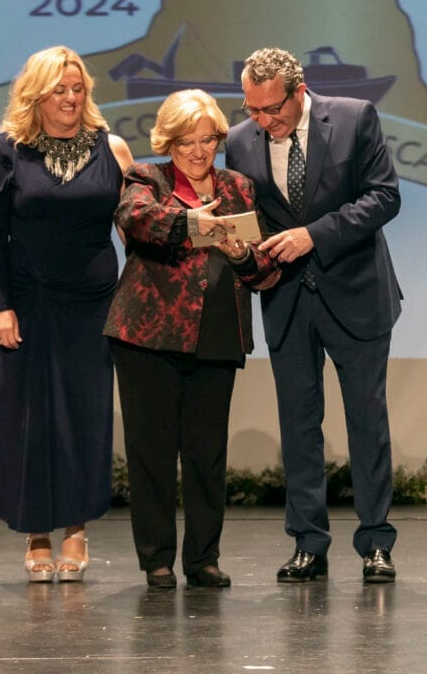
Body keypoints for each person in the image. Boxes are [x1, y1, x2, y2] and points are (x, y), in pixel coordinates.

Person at [224, 47, 403, 584]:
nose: (262, 121)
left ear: (298, 92)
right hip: (286, 299)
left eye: (272, 109)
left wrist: (313, 236)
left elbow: (384, 197)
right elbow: (250, 220)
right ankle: (308, 543)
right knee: (299, 426)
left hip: (356, 293)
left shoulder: (354, 118)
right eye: (253, 110)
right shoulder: (240, 141)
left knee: (367, 422)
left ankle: (376, 543)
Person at [103, 89, 279, 589]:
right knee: (151, 453)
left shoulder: (239, 187)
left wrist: (242, 255)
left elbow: (263, 262)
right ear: (168, 142)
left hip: (218, 335)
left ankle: (203, 558)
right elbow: (134, 217)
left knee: (207, 454)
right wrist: (192, 222)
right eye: (185, 142)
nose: (198, 152)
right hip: (148, 337)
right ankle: (157, 559)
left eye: (206, 140)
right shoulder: (148, 178)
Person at [0, 46, 135, 582]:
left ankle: (75, 527)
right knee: (30, 418)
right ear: (36, 95)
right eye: (59, 90)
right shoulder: (7, 151)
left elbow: (135, 228)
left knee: (85, 415)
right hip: (29, 302)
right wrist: (0, 306)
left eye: (78, 89)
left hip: (92, 303)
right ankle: (37, 531)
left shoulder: (112, 148)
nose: (71, 99)